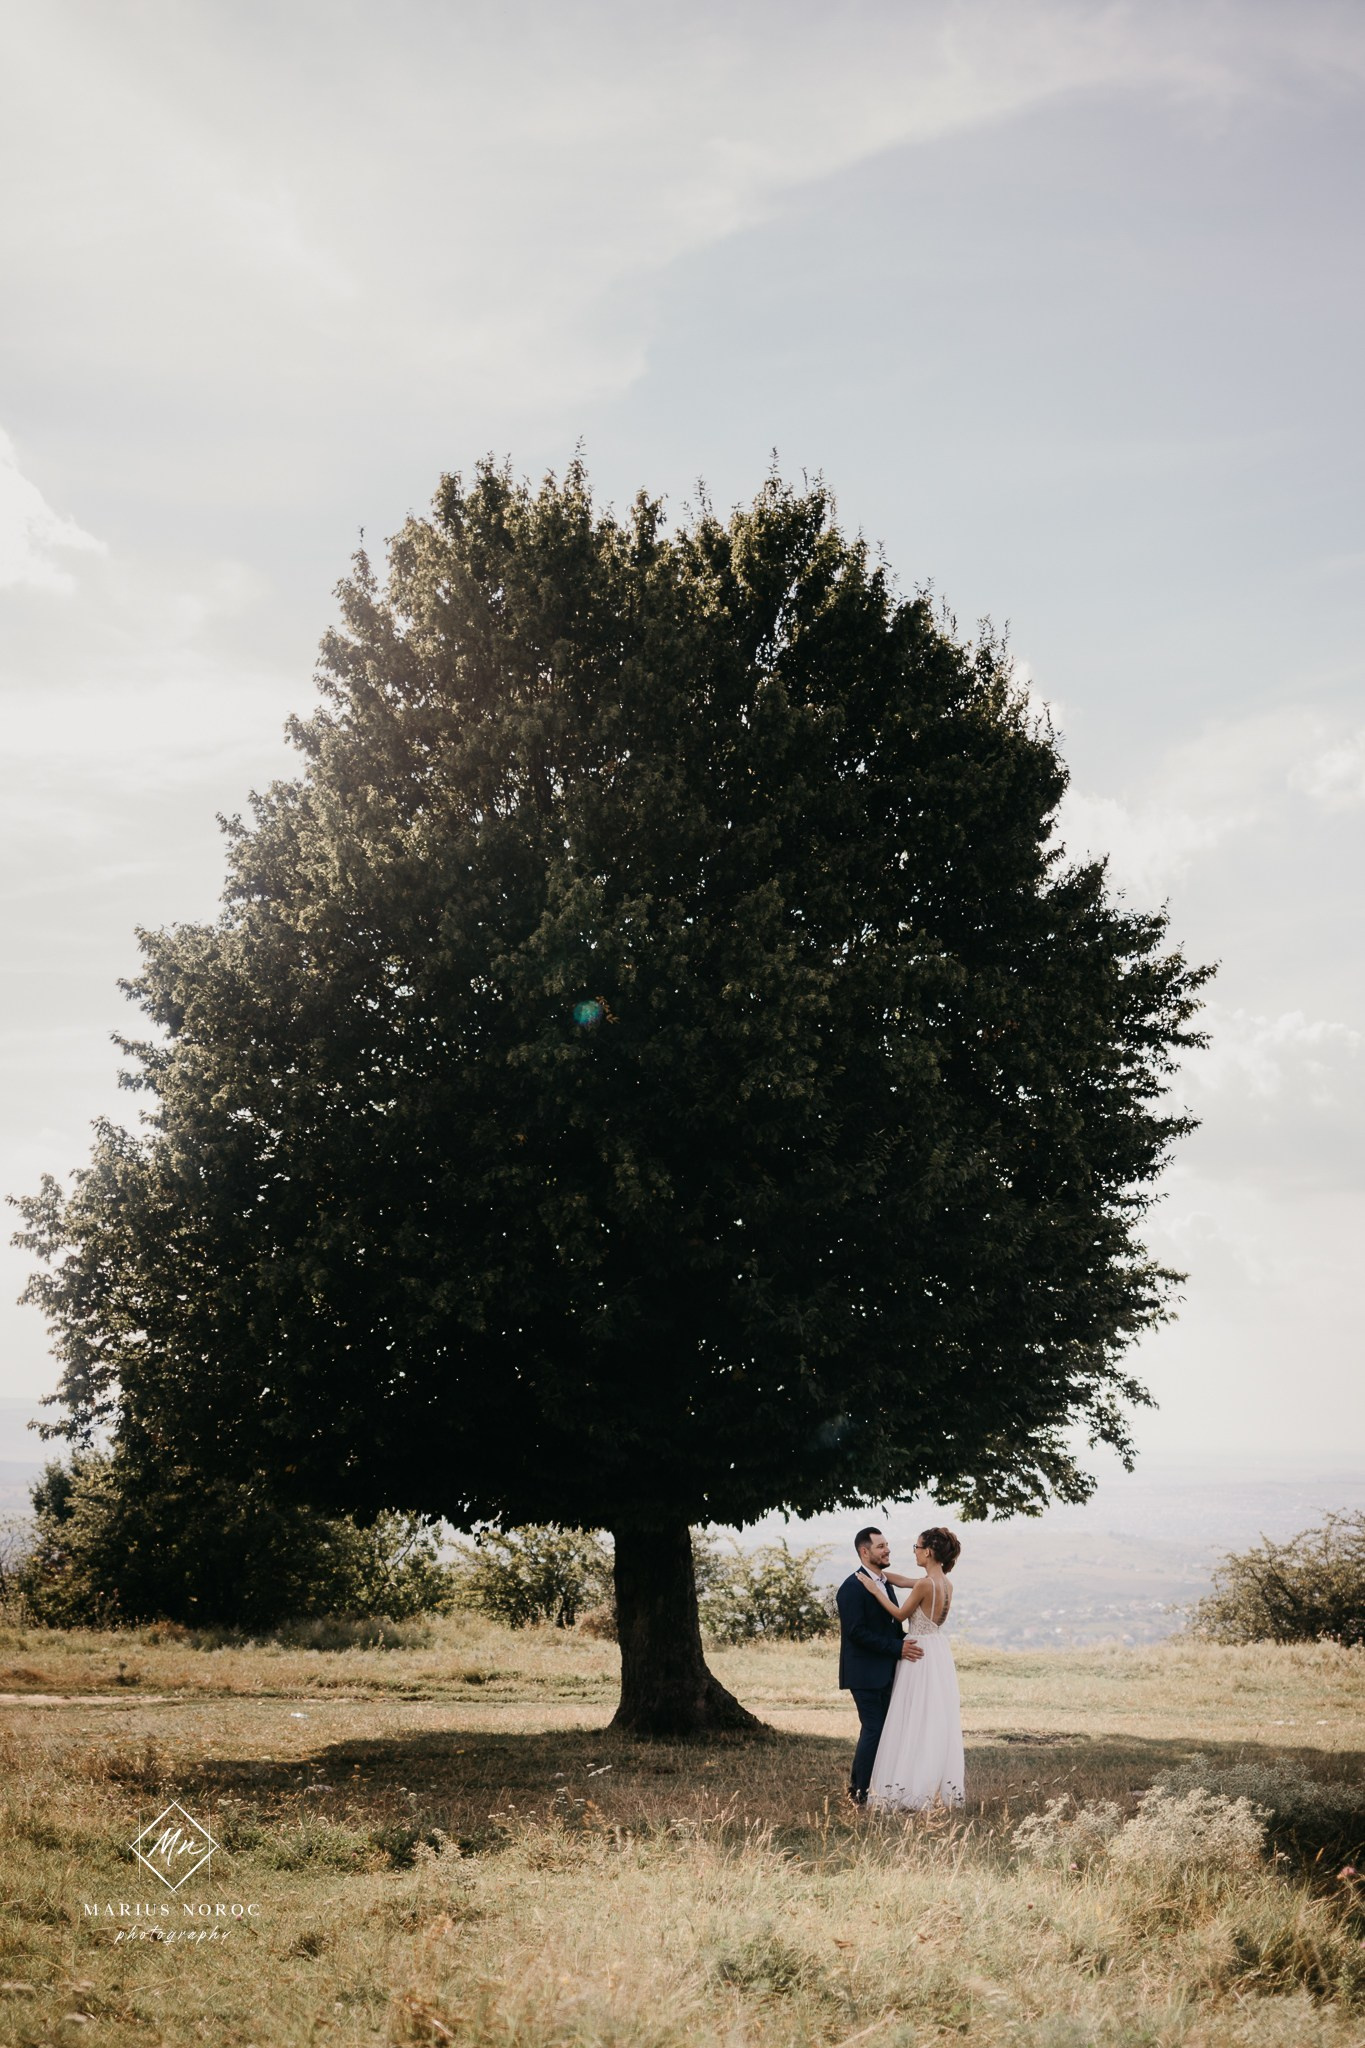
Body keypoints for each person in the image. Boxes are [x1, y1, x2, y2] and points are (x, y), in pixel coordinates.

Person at [860, 1525, 965, 1811]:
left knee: (912, 1713)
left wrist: (873, 1589)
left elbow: (899, 1614)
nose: (915, 1552)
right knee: (931, 1715)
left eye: (917, 1548)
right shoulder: (943, 1583)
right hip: (937, 1650)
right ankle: (930, 1784)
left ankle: (908, 1789)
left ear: (928, 1551)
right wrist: (880, 1576)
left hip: (917, 1650)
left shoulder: (924, 1585)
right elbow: (904, 1580)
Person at [835, 1527, 924, 1805]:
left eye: (887, 1545)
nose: (887, 1550)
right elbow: (856, 1632)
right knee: (874, 1728)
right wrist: (897, 1648)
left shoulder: (884, 1582)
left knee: (881, 1730)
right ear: (865, 1552)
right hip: (864, 1673)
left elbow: (891, 1623)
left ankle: (865, 1787)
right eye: (880, 1546)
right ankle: (860, 1793)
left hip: (885, 1670)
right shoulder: (851, 1588)